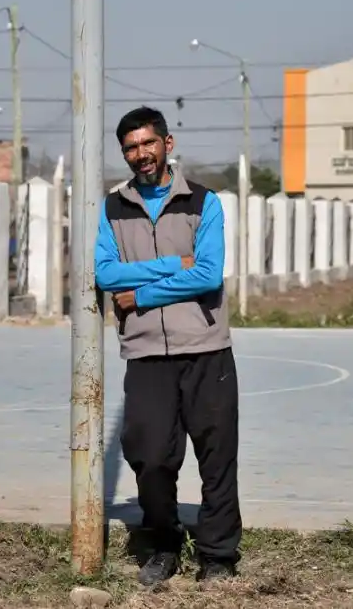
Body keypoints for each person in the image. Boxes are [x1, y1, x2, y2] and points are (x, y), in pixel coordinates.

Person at [95, 106, 241, 585]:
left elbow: (208, 274)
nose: (141, 154)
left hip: (205, 348)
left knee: (216, 456)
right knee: (149, 455)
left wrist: (142, 294)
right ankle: (162, 543)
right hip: (146, 353)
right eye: (131, 148)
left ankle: (218, 555)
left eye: (148, 143)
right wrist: (172, 265)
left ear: (167, 143)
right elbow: (105, 273)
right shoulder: (112, 207)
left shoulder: (205, 202)